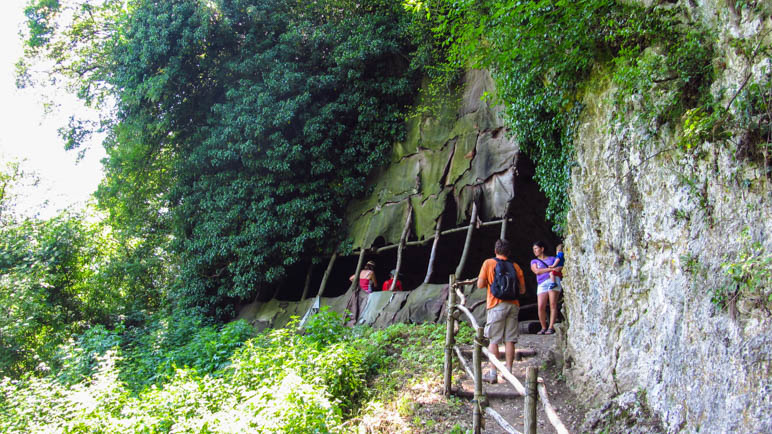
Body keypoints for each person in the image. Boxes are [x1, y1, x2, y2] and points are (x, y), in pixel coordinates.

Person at [477, 239, 526, 383]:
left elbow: (480, 285)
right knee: (510, 339)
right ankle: (508, 372)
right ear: (508, 252)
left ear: (495, 251)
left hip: (496, 304)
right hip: (513, 305)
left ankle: (493, 373)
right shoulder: (515, 266)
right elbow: (522, 290)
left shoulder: (488, 263)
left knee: (494, 340)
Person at [531, 241, 562, 335]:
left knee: (553, 304)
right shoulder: (534, 261)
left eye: (536, 248)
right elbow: (536, 271)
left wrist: (550, 270)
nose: (534, 251)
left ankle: (551, 327)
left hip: (553, 281)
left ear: (542, 249)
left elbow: (560, 267)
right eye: (534, 249)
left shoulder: (552, 259)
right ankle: (543, 327)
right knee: (541, 306)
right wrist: (550, 269)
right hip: (542, 283)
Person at [346, 260, 377, 324]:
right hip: (367, 292)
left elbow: (351, 278)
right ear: (373, 267)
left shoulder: (361, 272)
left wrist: (358, 282)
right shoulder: (371, 273)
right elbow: (375, 284)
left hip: (360, 291)